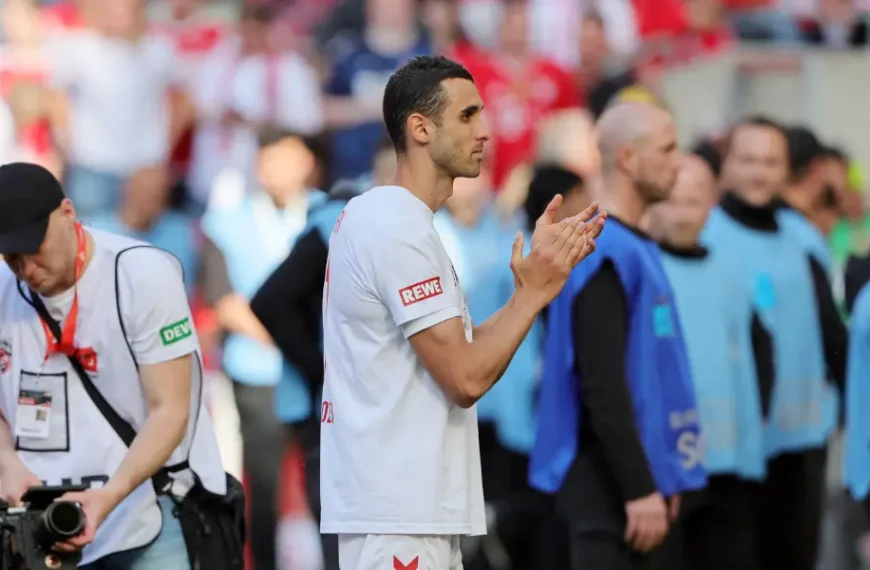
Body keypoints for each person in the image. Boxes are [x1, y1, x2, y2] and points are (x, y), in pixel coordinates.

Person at [319, 55, 604, 570]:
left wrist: (534, 285)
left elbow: (463, 351)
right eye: (468, 115)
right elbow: (464, 376)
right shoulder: (394, 225)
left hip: (408, 509)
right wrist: (531, 297)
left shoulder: (397, 220)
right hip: (400, 514)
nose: (485, 131)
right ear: (420, 128)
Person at [0, 162, 227, 568]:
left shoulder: (141, 274)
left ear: (68, 214)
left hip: (145, 507)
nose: (25, 268)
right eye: (11, 254)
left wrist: (108, 496)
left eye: (34, 247)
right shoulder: (3, 286)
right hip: (40, 524)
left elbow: (171, 409)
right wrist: (9, 465)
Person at [529, 102, 707, 570]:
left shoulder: (633, 245)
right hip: (608, 492)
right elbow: (601, 383)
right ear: (628, 159)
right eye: (667, 150)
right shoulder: (602, 250)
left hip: (636, 484)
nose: (678, 162)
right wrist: (639, 487)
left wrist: (659, 477)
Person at [703, 116, 847, 570]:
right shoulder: (705, 237)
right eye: (748, 160)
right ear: (726, 165)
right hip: (728, 446)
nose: (759, 172)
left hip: (801, 440)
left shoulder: (805, 238)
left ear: (787, 171)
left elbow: (831, 333)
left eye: (771, 161)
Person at [200, 128, 324, 570]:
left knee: (327, 486)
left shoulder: (329, 214)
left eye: (290, 160)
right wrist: (291, 340)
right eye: (271, 161)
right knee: (265, 489)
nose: (280, 171)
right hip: (258, 375)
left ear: (308, 163)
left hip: (317, 376)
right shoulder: (225, 223)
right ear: (257, 167)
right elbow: (224, 301)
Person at [650, 155, 774, 570]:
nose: (684, 214)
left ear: (712, 203)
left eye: (694, 201)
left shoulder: (735, 273)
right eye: (674, 201)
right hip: (664, 466)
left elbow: (760, 348)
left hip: (728, 460)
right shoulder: (643, 270)